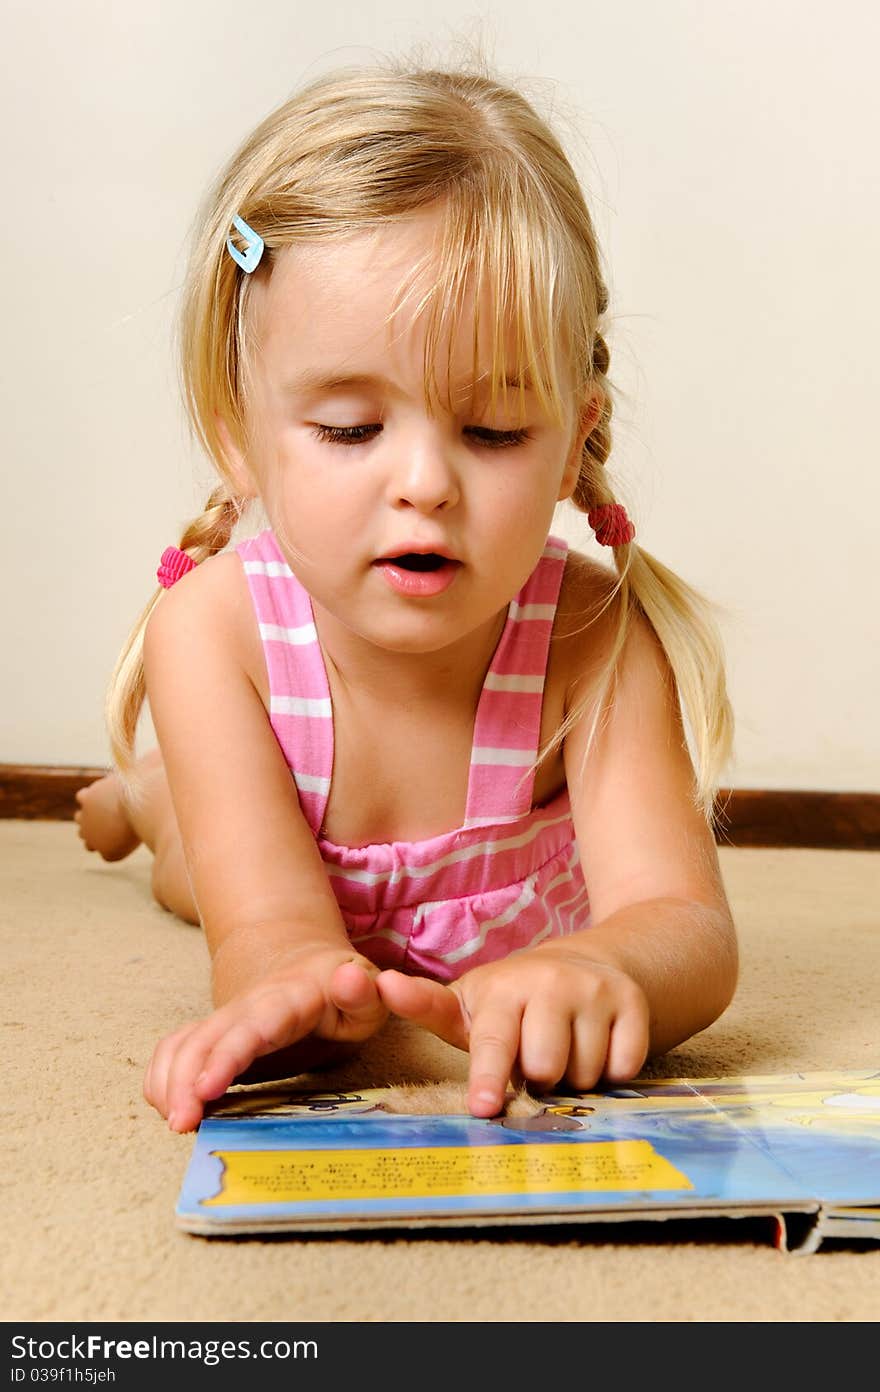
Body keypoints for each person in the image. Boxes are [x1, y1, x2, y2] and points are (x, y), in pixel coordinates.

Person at [74, 56, 738, 1135]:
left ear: (575, 437)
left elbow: (686, 924)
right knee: (197, 869)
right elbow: (270, 932)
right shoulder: (216, 633)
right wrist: (290, 975)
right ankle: (153, 800)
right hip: (277, 847)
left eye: (492, 431)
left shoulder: (592, 638)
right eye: (349, 430)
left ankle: (161, 797)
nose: (425, 484)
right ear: (237, 433)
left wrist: (605, 965)